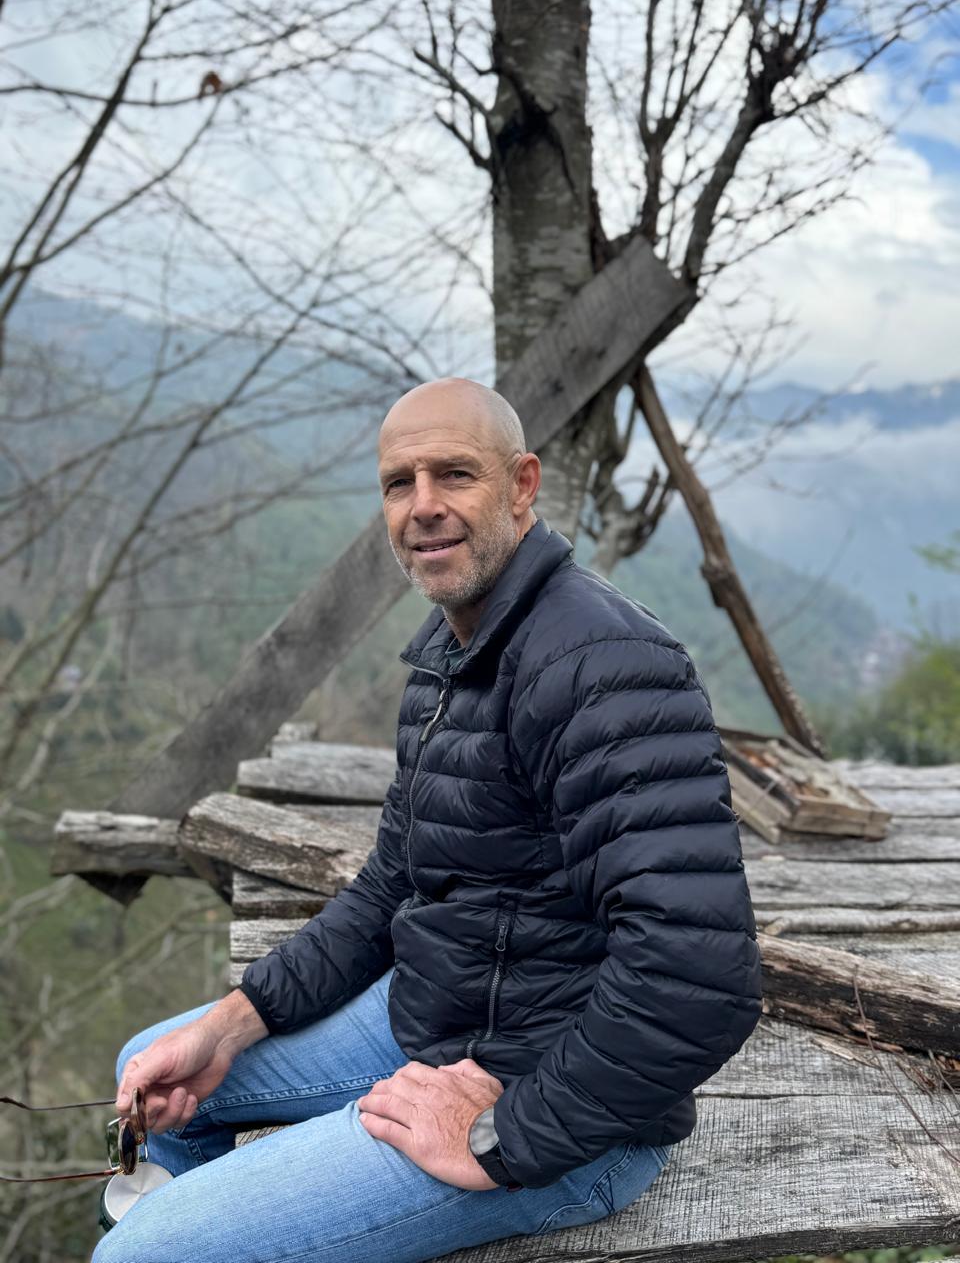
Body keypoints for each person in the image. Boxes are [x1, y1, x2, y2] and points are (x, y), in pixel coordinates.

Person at [93, 377, 762, 1263]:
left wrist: (501, 1136)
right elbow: (389, 887)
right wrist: (235, 1019)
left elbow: (699, 974)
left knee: (145, 1253)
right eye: (399, 483)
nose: (424, 506)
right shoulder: (452, 655)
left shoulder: (606, 664)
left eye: (455, 474)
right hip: (438, 1018)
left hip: (563, 1116)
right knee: (154, 1068)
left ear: (522, 486)